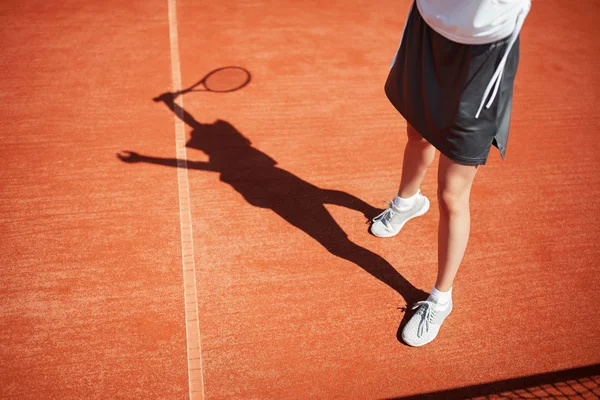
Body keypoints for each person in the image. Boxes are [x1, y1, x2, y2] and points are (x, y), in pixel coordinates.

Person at [372, 0, 531, 346]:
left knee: (451, 193)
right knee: (417, 133)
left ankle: (440, 300)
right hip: (429, 27)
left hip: (485, 51)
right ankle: (407, 202)